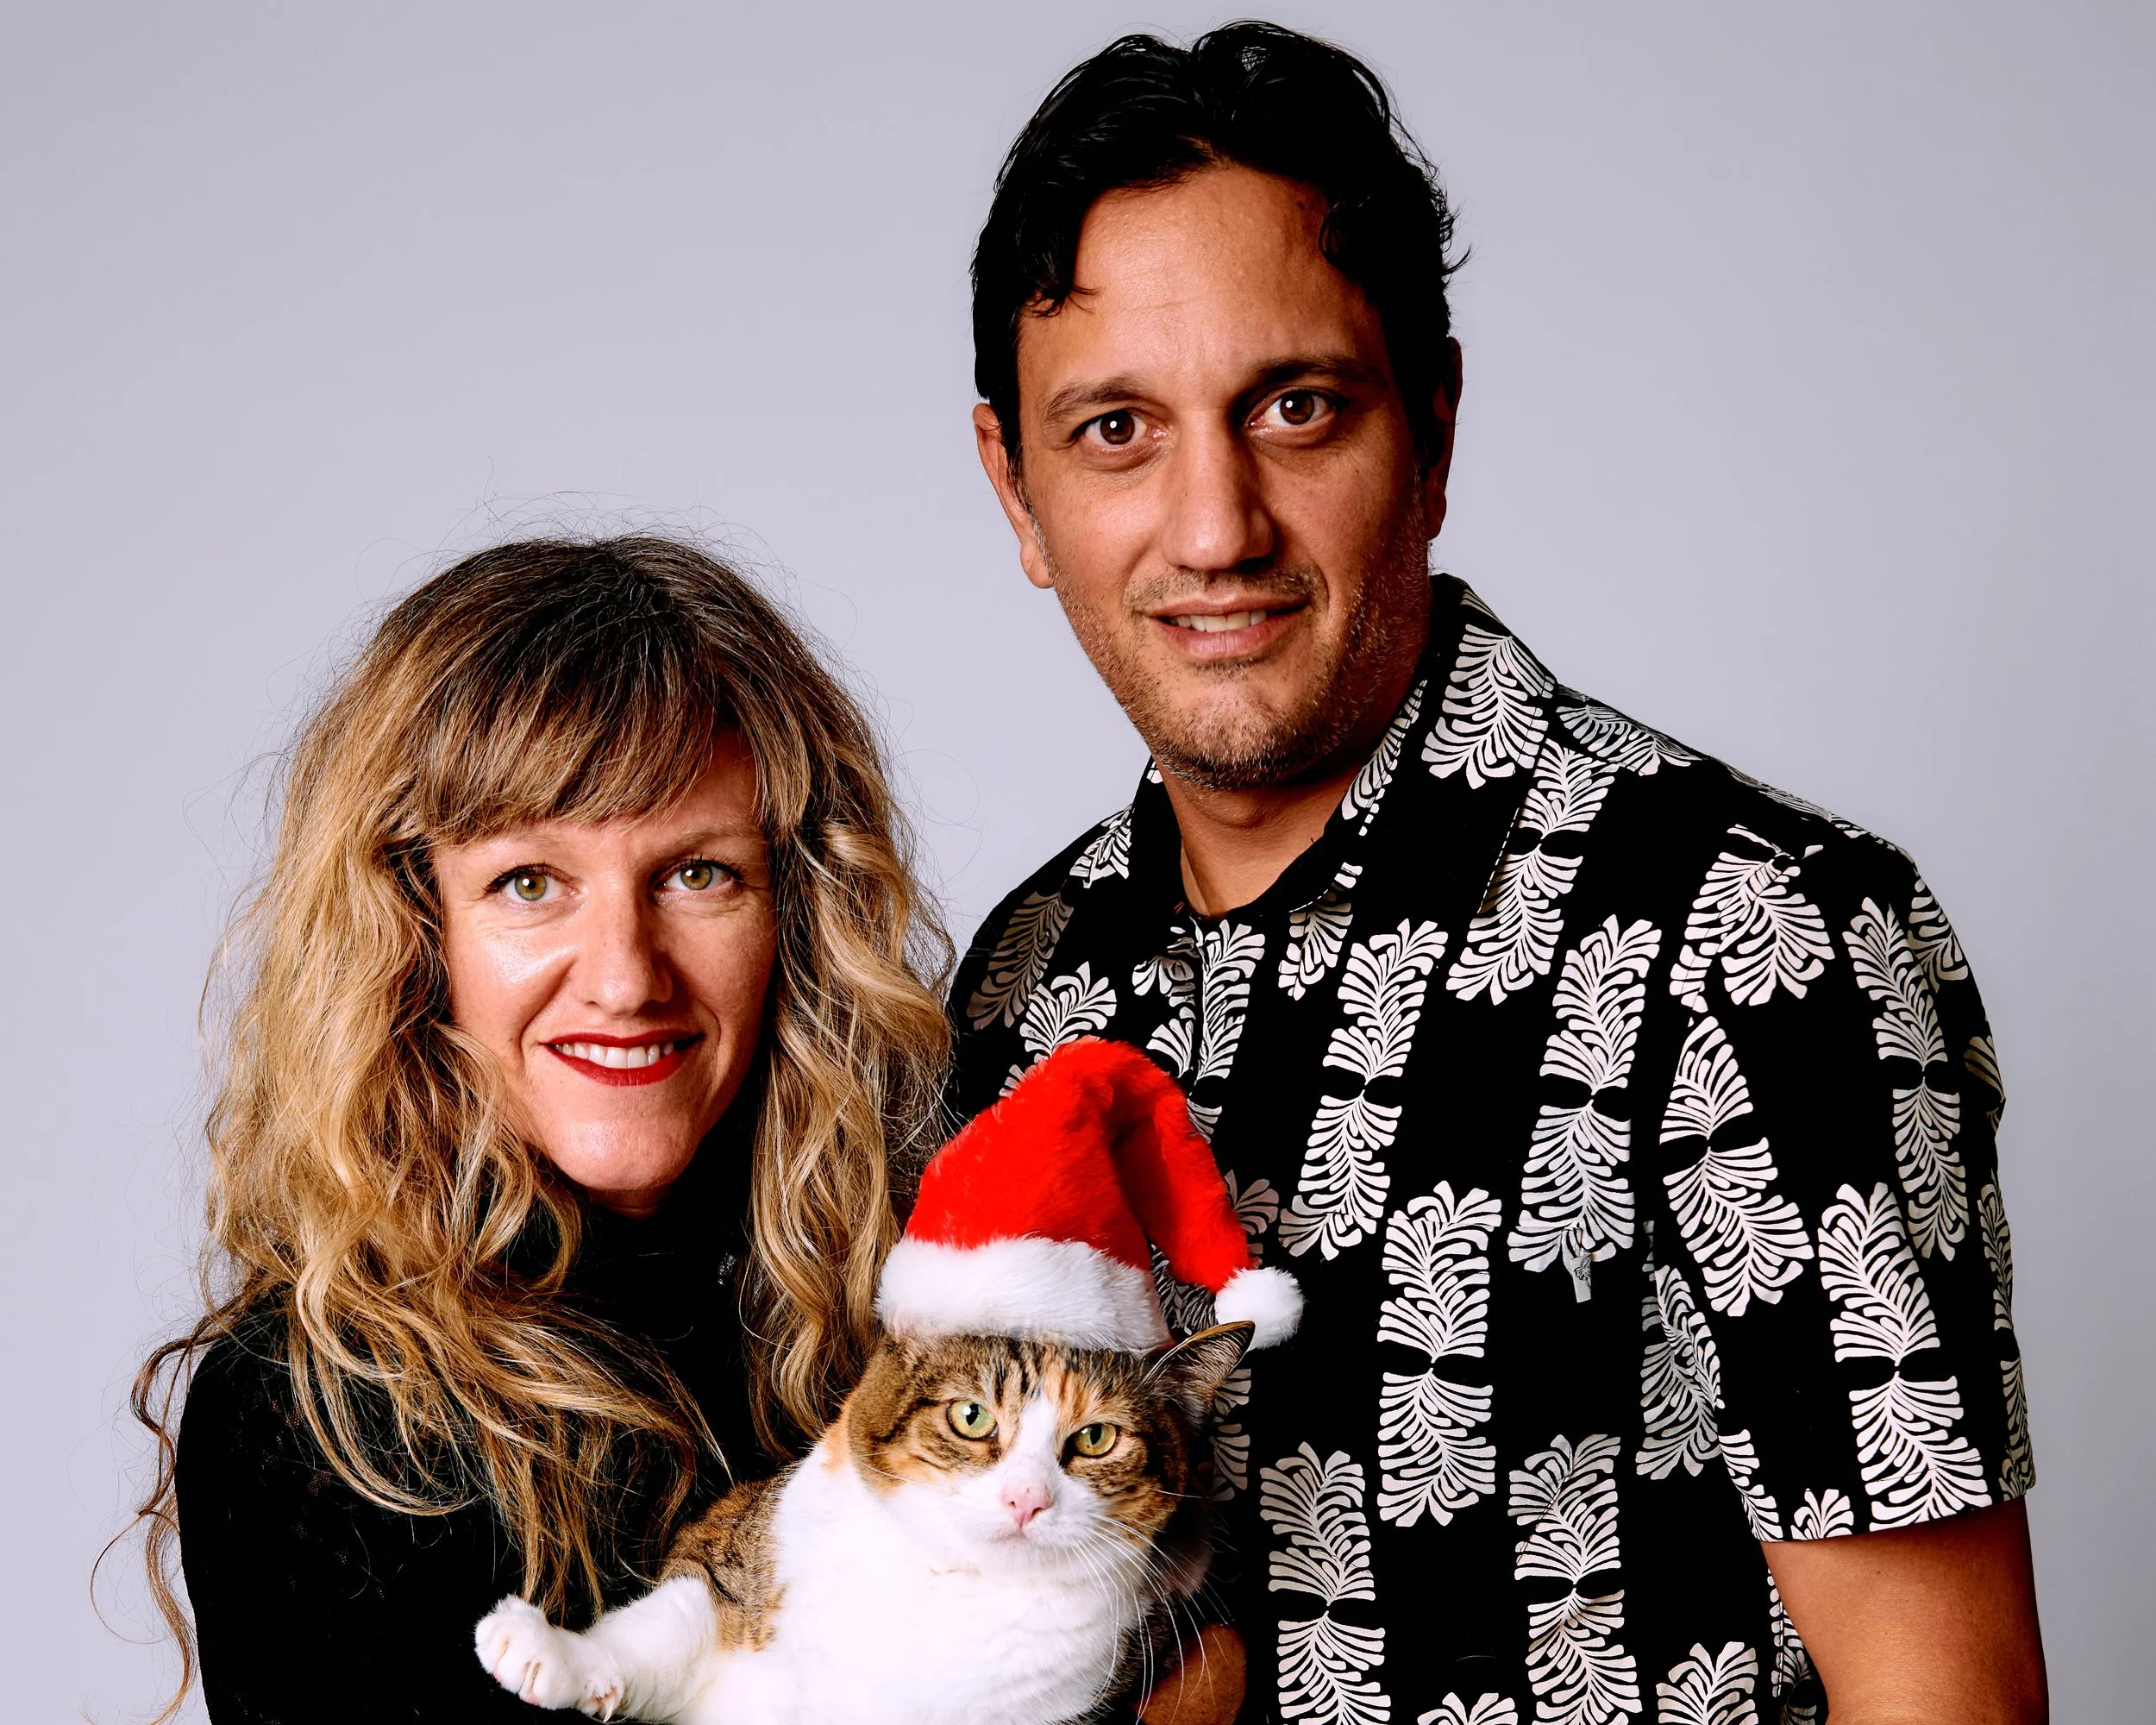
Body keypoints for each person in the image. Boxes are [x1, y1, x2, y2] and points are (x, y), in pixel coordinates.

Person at [950, 23, 2046, 1725]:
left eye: (1293, 406)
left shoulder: (1747, 934)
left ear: (1433, 432)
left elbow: (1942, 1701)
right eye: (1112, 430)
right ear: (1013, 492)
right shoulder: (1025, 982)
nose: (1214, 522)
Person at [134, 536, 956, 1722]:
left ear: (796, 916)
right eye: (530, 881)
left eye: (698, 875)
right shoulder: (313, 1420)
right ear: (422, 934)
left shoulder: (939, 1304)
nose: (625, 977)